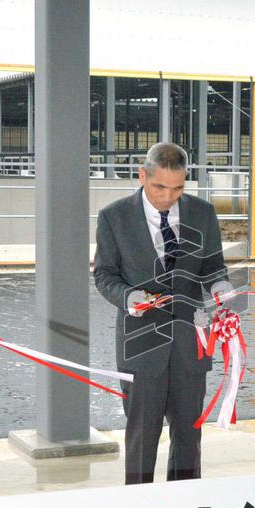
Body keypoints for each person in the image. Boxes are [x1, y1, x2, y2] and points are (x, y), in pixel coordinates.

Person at [94, 142, 236, 484]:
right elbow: (104, 274)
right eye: (159, 187)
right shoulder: (114, 217)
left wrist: (220, 289)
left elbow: (213, 266)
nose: (168, 197)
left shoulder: (202, 213)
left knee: (190, 436)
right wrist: (128, 298)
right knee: (142, 437)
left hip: (190, 343)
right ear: (143, 175)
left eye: (178, 188)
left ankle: (185, 506)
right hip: (141, 345)